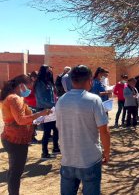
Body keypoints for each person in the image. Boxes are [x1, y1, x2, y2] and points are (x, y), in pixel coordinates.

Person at [55, 65, 110, 195]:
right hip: (90, 159)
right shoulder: (94, 100)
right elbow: (104, 131)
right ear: (90, 80)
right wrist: (106, 152)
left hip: (67, 160)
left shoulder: (61, 101)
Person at [1, 75, 51, 195]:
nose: (31, 89)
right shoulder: (14, 98)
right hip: (16, 140)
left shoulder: (11, 97)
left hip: (13, 138)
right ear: (21, 85)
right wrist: (40, 114)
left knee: (14, 171)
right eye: (30, 85)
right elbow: (21, 120)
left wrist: (36, 119)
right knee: (16, 172)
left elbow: (20, 118)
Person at [34, 64, 59, 159]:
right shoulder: (40, 83)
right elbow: (41, 99)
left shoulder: (49, 82)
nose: (51, 72)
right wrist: (53, 105)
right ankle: (44, 153)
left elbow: (53, 96)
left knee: (56, 129)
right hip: (45, 110)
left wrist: (57, 101)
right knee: (47, 132)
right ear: (44, 72)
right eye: (49, 70)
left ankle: (56, 148)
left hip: (52, 109)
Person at [25, 71, 39, 144]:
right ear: (33, 78)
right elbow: (26, 96)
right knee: (31, 122)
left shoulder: (35, 84)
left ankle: (32, 136)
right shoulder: (29, 84)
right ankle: (31, 138)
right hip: (30, 104)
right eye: (36, 77)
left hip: (35, 104)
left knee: (34, 122)